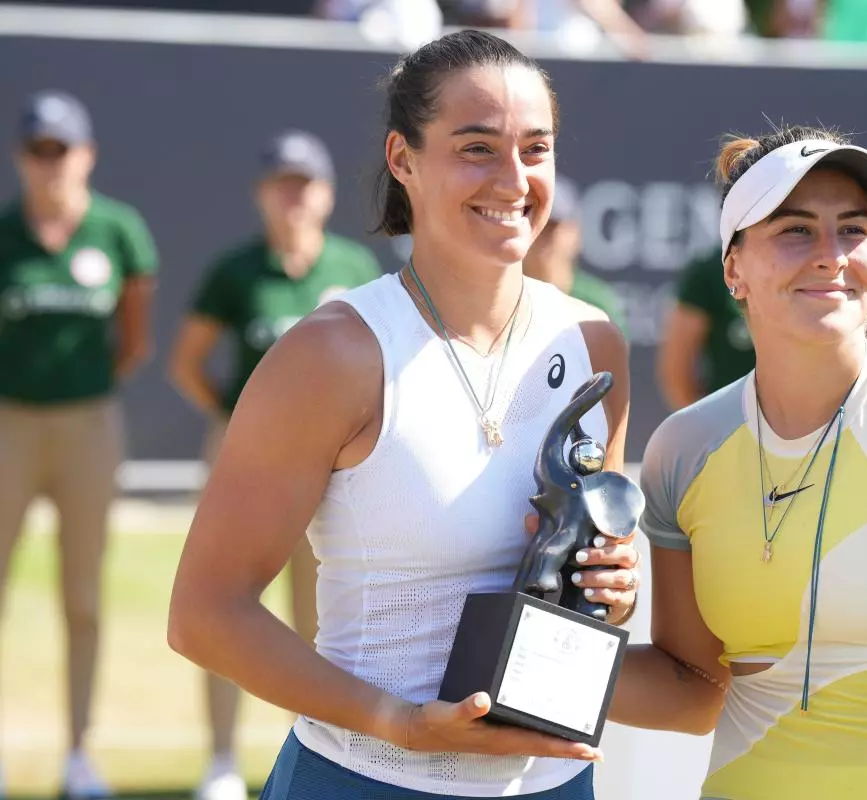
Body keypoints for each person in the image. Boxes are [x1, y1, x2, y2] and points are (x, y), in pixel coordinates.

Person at [168, 29, 639, 799]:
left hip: (554, 784)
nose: (514, 178)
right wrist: (401, 722)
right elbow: (203, 614)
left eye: (536, 148)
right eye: (477, 147)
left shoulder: (595, 344)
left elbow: (592, 593)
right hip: (363, 778)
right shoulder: (334, 353)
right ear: (402, 159)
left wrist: (615, 587)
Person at [609, 125, 867, 799]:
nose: (832, 256)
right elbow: (692, 690)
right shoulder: (682, 448)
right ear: (734, 269)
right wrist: (509, 660)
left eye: (855, 229)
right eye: (796, 231)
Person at [168, 129, 382, 800]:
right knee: (225, 601)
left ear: (325, 195)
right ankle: (223, 758)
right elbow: (187, 362)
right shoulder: (236, 271)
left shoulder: (353, 265)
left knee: (324, 611)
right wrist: (238, 423)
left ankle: (321, 748)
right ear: (264, 195)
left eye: (305, 184)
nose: (294, 198)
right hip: (252, 459)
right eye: (282, 185)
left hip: (337, 464)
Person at [0, 90, 158, 800]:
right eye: (38, 151)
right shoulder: (4, 231)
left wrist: (85, 384)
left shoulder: (117, 230)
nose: (49, 165)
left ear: (86, 156)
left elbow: (133, 337)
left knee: (84, 594)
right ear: (19, 159)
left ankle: (79, 752)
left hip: (89, 422)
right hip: (8, 422)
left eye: (61, 150)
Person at [656, 248, 756, 411]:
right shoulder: (709, 272)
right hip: (729, 418)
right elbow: (676, 369)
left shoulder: (802, 269)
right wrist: (704, 422)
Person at [521, 176, 626, 332]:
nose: (541, 235)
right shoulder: (501, 296)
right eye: (534, 221)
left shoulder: (599, 305)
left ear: (575, 233)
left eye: (551, 226)